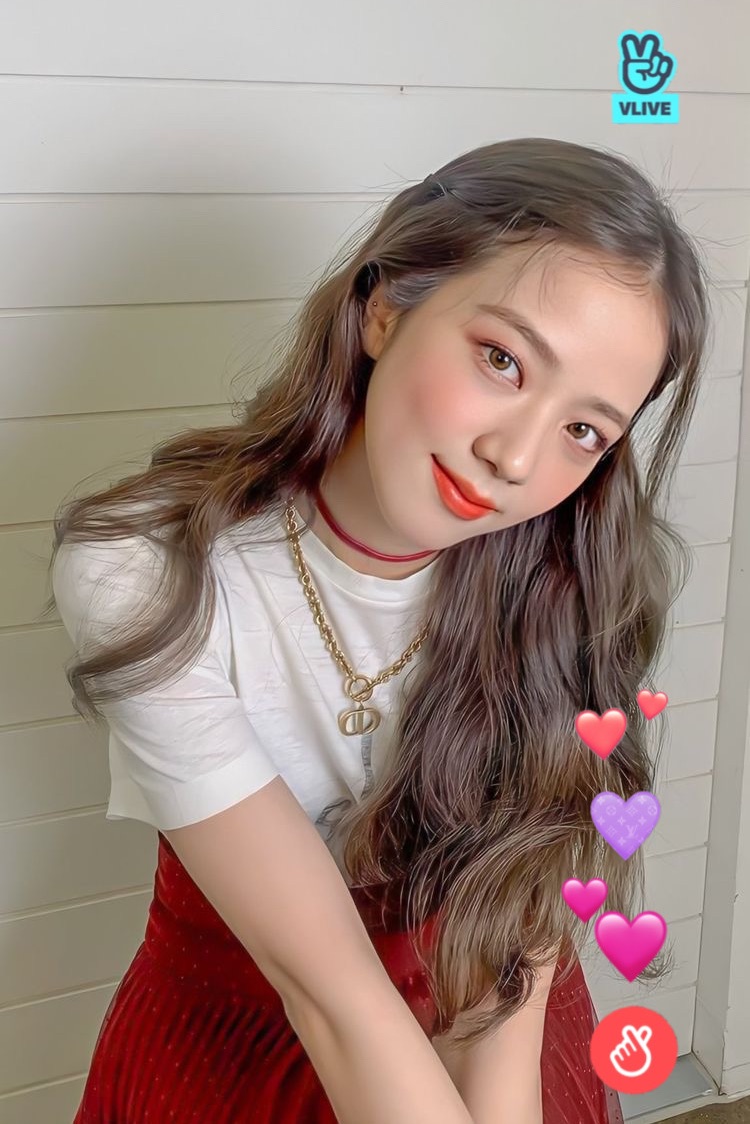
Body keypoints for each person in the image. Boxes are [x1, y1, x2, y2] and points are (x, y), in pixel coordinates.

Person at [48, 136, 709, 1123]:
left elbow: (504, 974)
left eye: (584, 429)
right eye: (502, 359)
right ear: (386, 305)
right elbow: (331, 994)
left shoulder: (566, 583)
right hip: (241, 1036)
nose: (514, 457)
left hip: (492, 1008)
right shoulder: (150, 568)